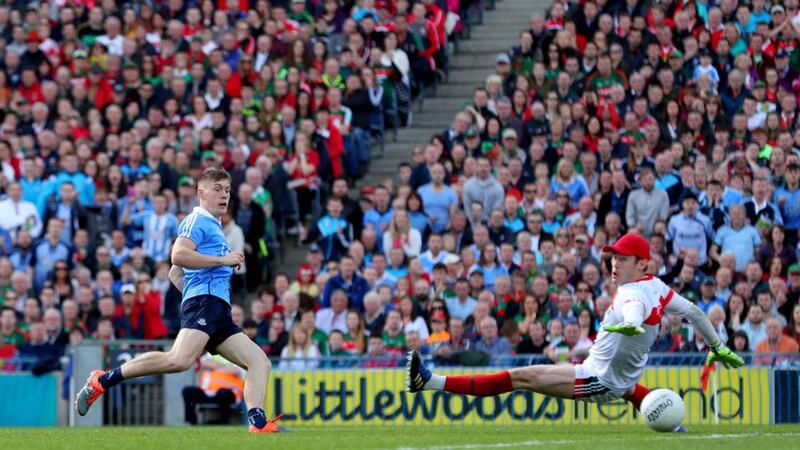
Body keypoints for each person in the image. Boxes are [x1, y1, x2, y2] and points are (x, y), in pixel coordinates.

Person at [406, 233, 744, 432]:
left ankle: (430, 382)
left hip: (598, 378)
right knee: (626, 388)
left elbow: (633, 309)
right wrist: (716, 345)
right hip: (619, 379)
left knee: (521, 377)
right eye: (613, 257)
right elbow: (694, 312)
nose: (615, 263)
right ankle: (674, 424)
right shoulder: (656, 287)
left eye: (623, 258)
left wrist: (631, 320)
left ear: (642, 264)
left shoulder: (631, 294)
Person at [74, 168, 281, 434]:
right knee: (178, 360)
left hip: (217, 310)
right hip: (206, 305)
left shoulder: (213, 226)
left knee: (260, 362)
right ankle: (102, 380)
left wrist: (195, 287)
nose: (224, 195)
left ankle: (258, 423)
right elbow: (178, 256)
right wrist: (221, 262)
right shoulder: (198, 220)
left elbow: (175, 273)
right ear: (201, 194)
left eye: (227, 190)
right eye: (217, 189)